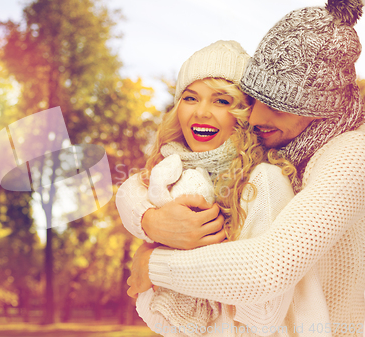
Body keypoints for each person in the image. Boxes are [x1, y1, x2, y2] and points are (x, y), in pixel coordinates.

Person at [124, 0, 365, 335]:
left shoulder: (352, 156)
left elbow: (267, 268)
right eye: (254, 101)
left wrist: (153, 264)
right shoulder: (283, 145)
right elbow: (138, 183)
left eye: (278, 108)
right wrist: (147, 220)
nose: (255, 118)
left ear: (319, 109)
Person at [116, 40, 300, 336]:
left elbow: (265, 314)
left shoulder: (264, 181)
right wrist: (150, 223)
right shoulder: (173, 170)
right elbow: (129, 190)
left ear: (244, 112)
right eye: (190, 98)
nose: (201, 112)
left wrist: (153, 260)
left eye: (221, 101)